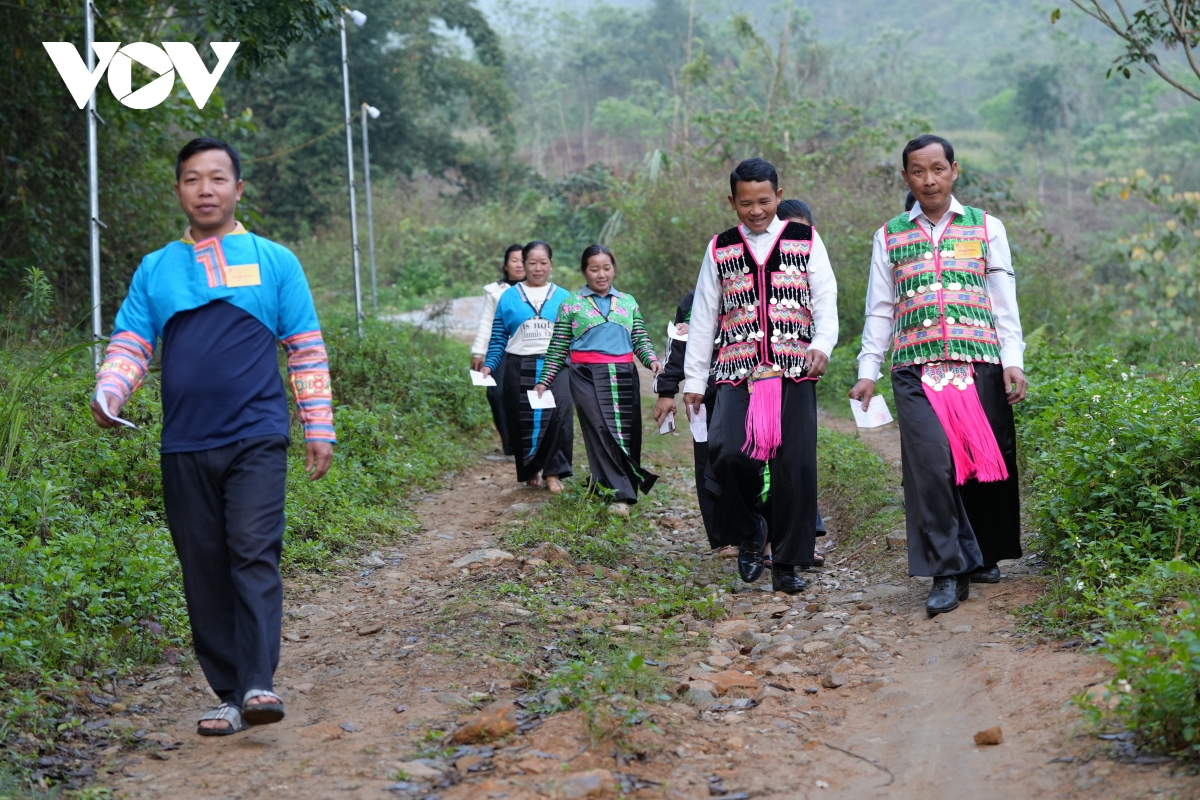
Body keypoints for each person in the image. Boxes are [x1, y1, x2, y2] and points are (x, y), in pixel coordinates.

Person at [90, 137, 335, 736]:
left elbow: (303, 345)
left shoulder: (275, 260)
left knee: (253, 552)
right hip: (185, 443)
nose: (206, 189)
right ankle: (228, 690)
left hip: (256, 436)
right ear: (178, 191)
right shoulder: (157, 267)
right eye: (193, 179)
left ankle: (258, 684)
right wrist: (111, 390)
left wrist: (318, 423)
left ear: (239, 189)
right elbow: (131, 340)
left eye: (218, 178)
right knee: (202, 565)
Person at [849, 134, 1026, 616]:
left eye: (937, 169)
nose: (929, 180)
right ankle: (947, 571)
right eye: (918, 172)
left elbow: (1003, 304)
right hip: (914, 369)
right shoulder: (889, 236)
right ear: (906, 177)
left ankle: (981, 554)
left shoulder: (988, 228)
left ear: (954, 170)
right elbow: (880, 310)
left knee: (979, 461)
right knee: (931, 464)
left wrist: (1014, 360)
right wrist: (869, 370)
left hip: (979, 362)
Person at [682, 158, 839, 594]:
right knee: (728, 452)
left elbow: (825, 296)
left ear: (778, 195)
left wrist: (821, 345)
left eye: (764, 201)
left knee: (795, 466)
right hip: (737, 371)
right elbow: (703, 317)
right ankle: (751, 528)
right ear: (732, 200)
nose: (755, 211)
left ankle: (787, 561)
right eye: (746, 203)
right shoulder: (720, 248)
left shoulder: (805, 239)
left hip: (793, 369)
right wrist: (695, 381)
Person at [536, 245, 661, 514]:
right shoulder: (571, 303)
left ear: (613, 269)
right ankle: (621, 497)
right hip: (585, 375)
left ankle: (605, 485)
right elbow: (558, 346)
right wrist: (544, 380)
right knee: (600, 428)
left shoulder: (628, 301)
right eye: (594, 269)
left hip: (624, 374)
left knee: (626, 433)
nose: (601, 274)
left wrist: (651, 360)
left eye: (606, 268)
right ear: (584, 272)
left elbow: (640, 338)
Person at [481, 241, 573, 492]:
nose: (538, 268)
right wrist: (490, 365)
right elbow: (499, 336)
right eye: (532, 263)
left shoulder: (565, 297)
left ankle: (554, 472)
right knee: (524, 419)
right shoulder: (508, 297)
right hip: (518, 365)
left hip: (556, 364)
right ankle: (533, 468)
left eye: (543, 263)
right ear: (523, 264)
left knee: (559, 416)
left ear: (551, 265)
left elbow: (574, 336)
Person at [471, 244, 526, 455]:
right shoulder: (495, 291)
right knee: (495, 393)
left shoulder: (538, 290)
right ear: (505, 265)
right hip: (500, 350)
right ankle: (510, 444)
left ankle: (530, 442)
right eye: (514, 260)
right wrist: (478, 352)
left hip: (528, 350)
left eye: (523, 260)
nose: (519, 264)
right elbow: (486, 322)